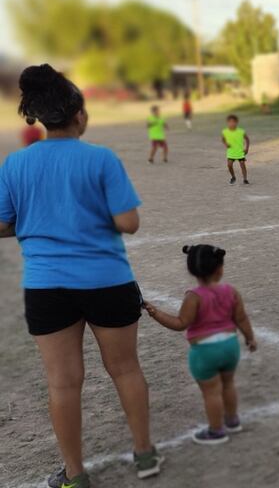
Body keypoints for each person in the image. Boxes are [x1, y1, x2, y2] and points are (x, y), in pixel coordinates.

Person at [0, 65, 162, 486]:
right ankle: (145, 455)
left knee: (63, 384)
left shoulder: (14, 164)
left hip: (46, 286)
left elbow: (3, 224)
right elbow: (129, 222)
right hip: (106, 279)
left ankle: (75, 475)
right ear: (78, 116)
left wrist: (41, 219)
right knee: (125, 369)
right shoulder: (101, 158)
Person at [143, 245, 256, 446]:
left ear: (192, 271)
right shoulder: (231, 291)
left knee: (211, 392)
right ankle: (232, 420)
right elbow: (242, 318)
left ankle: (216, 430)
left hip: (205, 351)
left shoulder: (193, 297)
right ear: (220, 269)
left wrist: (156, 313)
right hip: (230, 346)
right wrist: (250, 338)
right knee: (228, 384)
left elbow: (180, 323)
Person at [221, 115, 250, 185]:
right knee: (229, 165)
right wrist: (226, 144)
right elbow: (223, 139)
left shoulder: (241, 131)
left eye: (233, 122)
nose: (232, 123)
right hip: (231, 152)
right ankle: (233, 177)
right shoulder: (225, 131)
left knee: (242, 164)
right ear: (227, 123)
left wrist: (247, 148)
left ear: (236, 122)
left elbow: (247, 139)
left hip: (240, 151)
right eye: (230, 122)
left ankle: (245, 179)